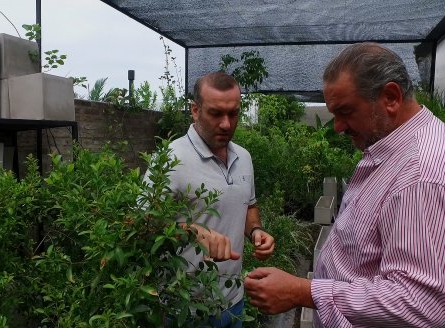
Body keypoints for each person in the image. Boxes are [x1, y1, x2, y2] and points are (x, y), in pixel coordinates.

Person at [244, 42, 445, 327]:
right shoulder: (389, 146)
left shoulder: (419, 173)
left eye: (346, 111)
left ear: (390, 97)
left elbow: (420, 302)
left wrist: (304, 291)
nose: (337, 126)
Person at [151, 71, 275, 327]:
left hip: (233, 302)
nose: (227, 124)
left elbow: (248, 205)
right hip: (184, 308)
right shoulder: (169, 159)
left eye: (233, 113)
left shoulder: (244, 157)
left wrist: (256, 231)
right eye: (216, 113)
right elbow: (138, 224)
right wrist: (192, 232)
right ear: (195, 110)